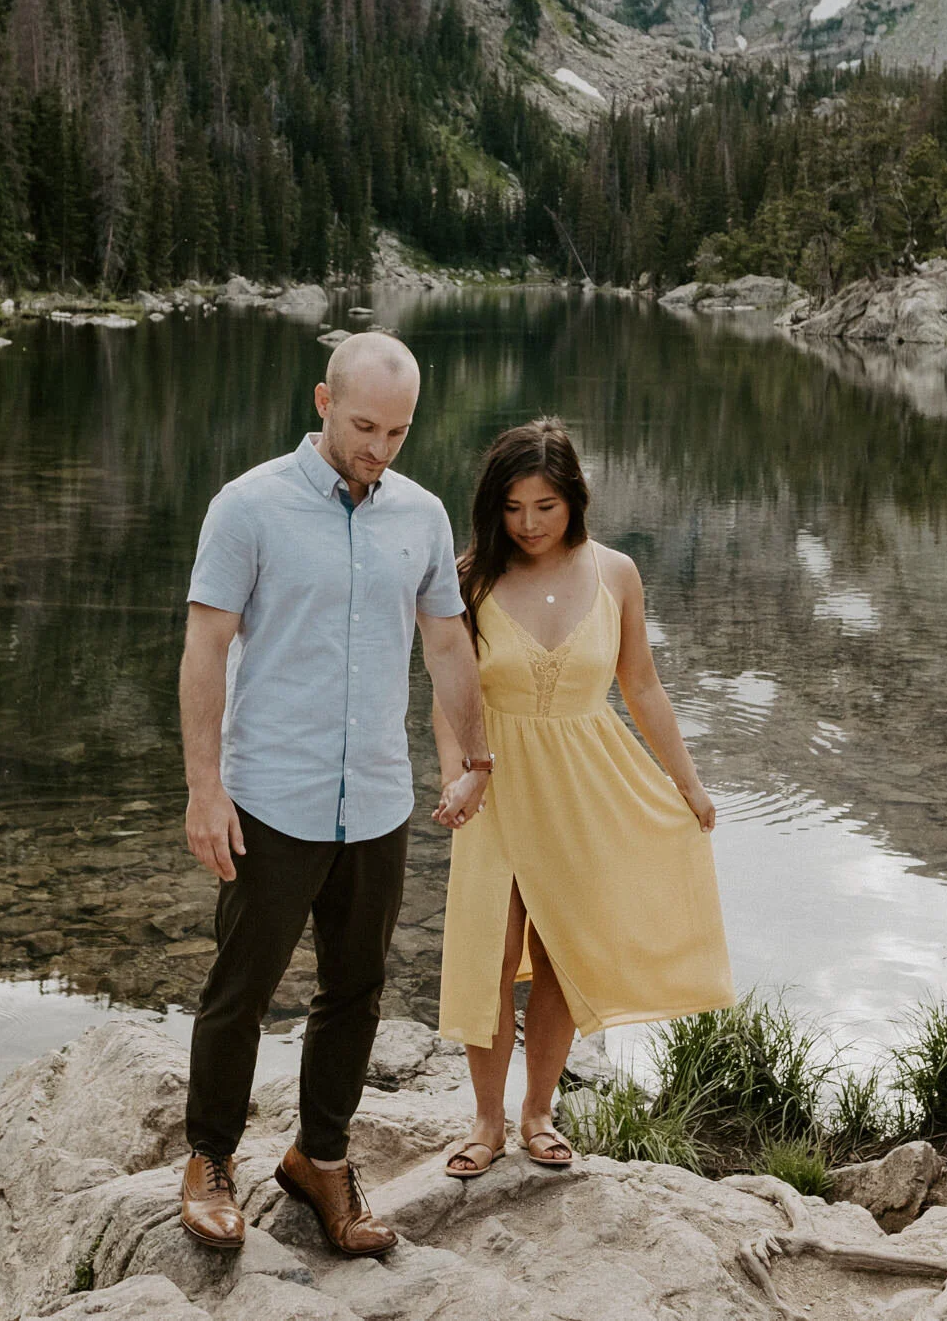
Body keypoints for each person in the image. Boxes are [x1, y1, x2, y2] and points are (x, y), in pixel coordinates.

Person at [177, 331, 490, 1256]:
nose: (379, 448)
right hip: (272, 793)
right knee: (242, 986)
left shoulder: (422, 516)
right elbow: (204, 649)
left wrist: (473, 757)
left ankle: (320, 1158)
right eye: (364, 426)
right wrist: (205, 788)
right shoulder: (249, 507)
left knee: (355, 991)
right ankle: (208, 1159)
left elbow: (444, 644)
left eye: (397, 431)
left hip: (380, 802)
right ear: (322, 402)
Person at [432, 418, 733, 1178]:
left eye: (544, 506)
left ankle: (539, 1115)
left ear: (574, 499)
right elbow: (447, 693)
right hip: (496, 780)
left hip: (587, 783)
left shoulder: (617, 573)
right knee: (491, 957)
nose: (528, 524)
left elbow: (643, 686)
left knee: (563, 953)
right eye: (512, 507)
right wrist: (455, 775)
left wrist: (688, 785)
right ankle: (485, 1121)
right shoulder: (470, 577)